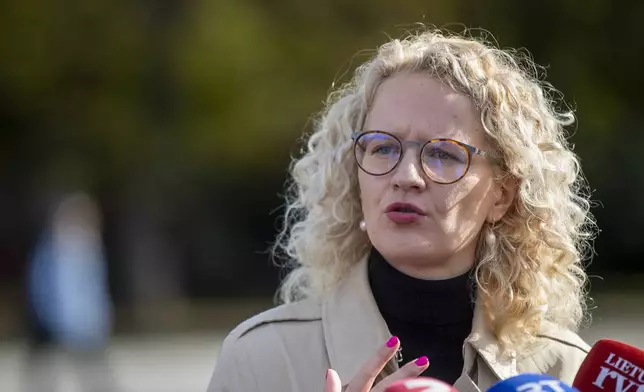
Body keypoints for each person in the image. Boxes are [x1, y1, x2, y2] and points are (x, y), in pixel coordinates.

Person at [207, 28, 597, 392]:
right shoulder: (261, 358)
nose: (406, 175)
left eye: (444, 153)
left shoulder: (565, 368)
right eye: (383, 147)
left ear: (503, 195)